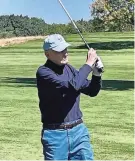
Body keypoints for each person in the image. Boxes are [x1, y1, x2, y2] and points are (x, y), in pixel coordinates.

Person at [36, 34, 103, 160]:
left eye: (65, 49)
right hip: (55, 135)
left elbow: (91, 91)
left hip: (78, 131)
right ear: (47, 54)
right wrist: (88, 64)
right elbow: (73, 86)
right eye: (59, 51)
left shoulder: (70, 69)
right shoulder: (44, 72)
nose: (65, 53)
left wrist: (96, 74)